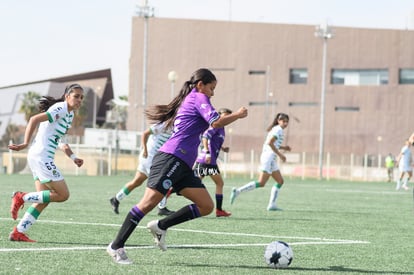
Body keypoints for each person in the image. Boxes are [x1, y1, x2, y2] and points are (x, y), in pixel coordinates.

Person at [106, 68, 248, 264]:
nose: (212, 93)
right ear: (200, 85)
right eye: (211, 88)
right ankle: (116, 246)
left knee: (206, 205)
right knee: (147, 203)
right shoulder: (199, 97)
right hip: (171, 158)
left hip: (183, 165)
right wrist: (238, 115)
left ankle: (161, 226)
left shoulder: (194, 97)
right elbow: (215, 123)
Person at [7, 83, 85, 242]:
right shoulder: (61, 108)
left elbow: (61, 142)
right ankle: (21, 196)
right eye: (76, 96)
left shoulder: (69, 115)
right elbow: (34, 119)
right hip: (42, 157)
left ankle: (18, 231)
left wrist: (73, 157)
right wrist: (25, 142)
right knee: (63, 195)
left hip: (37, 156)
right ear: (67, 96)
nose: (79, 100)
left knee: (43, 199)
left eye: (81, 97)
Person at [109, 122, 175, 216]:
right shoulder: (162, 125)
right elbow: (145, 133)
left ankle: (116, 199)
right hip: (150, 158)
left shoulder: (175, 127)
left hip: (150, 159)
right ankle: (162, 208)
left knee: (137, 181)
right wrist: (145, 150)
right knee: (161, 181)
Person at [230, 113, 291, 211]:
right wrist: (281, 155)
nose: (285, 123)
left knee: (280, 181)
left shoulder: (276, 129)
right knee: (261, 182)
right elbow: (270, 143)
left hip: (271, 158)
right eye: (283, 121)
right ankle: (237, 191)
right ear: (279, 121)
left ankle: (272, 205)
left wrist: (284, 147)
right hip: (269, 157)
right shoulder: (278, 129)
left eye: (287, 122)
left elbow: (273, 143)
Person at [193, 107, 233, 217]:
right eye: (225, 115)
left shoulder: (222, 128)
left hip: (207, 161)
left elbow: (214, 142)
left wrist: (223, 148)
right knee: (219, 183)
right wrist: (207, 152)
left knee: (194, 183)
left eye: (229, 116)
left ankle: (168, 193)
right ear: (219, 115)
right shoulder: (216, 125)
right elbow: (205, 137)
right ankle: (218, 210)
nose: (227, 118)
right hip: (207, 160)